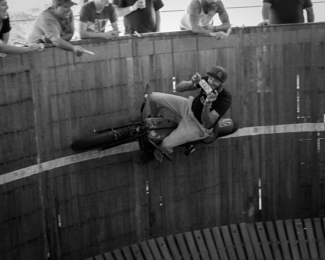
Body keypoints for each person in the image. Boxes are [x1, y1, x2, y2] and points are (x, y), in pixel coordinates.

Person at [137, 65, 232, 164]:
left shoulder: (225, 99)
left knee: (165, 145)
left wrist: (207, 104)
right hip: (189, 106)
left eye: (216, 80)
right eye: (211, 78)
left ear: (222, 83)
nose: (211, 81)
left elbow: (206, 124)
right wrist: (191, 83)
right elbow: (178, 88)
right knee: (153, 97)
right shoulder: (207, 81)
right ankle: (154, 120)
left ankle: (155, 154)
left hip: (198, 125)